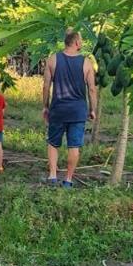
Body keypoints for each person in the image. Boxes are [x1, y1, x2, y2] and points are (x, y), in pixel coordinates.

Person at [42, 30, 97, 187]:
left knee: (53, 142)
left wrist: (45, 106)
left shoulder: (53, 59)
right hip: (78, 111)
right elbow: (92, 89)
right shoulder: (86, 63)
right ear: (77, 43)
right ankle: (68, 179)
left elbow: (46, 86)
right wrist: (93, 109)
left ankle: (52, 176)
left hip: (58, 109)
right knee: (74, 146)